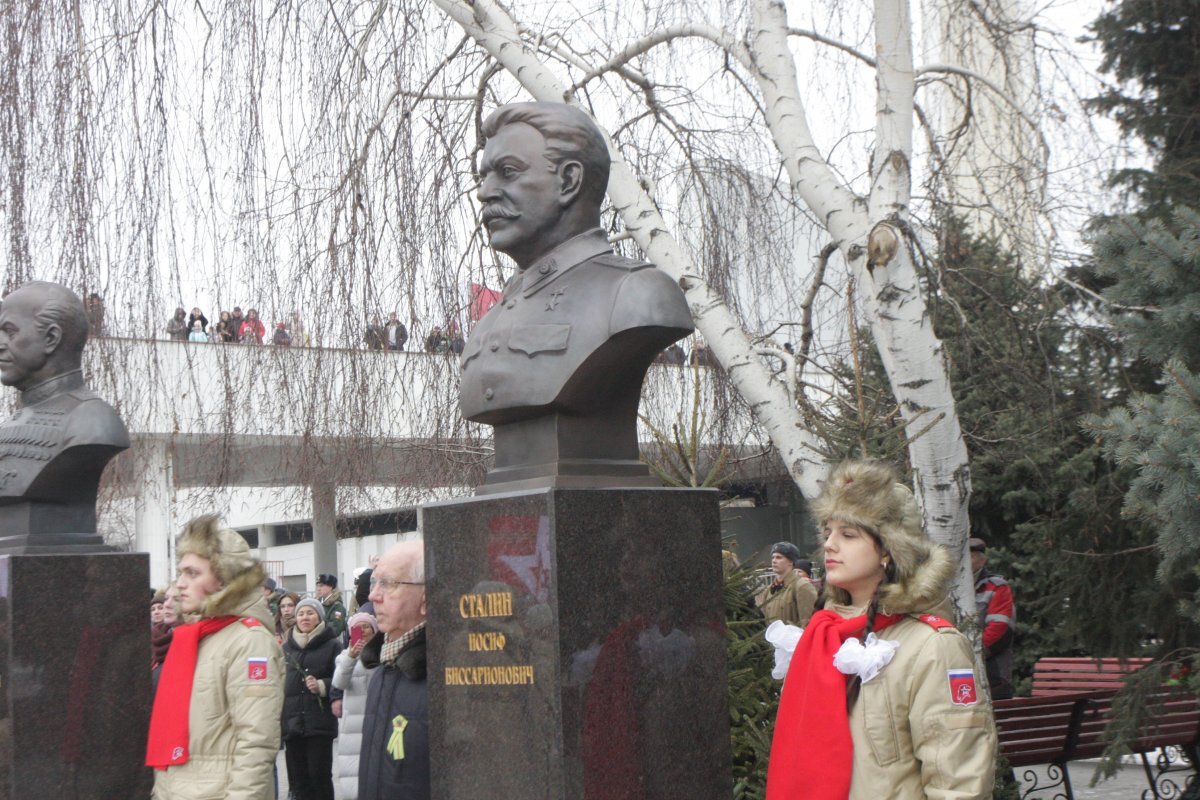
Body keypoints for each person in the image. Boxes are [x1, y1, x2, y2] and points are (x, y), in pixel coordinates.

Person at [459, 102, 693, 487]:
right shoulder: (491, 319)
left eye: (507, 172)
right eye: (483, 177)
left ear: (569, 181)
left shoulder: (637, 295)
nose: (484, 193)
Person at [766, 460, 996, 799]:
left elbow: (958, 783)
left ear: (888, 551)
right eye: (828, 532)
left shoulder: (932, 647)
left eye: (847, 534)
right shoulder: (822, 638)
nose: (829, 544)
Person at [146, 515, 284, 799]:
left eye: (192, 574)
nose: (179, 584)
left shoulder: (249, 641)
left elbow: (256, 743)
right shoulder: (195, 637)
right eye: (180, 572)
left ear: (224, 581)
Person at [358, 540, 429, 800]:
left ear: (426, 599)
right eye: (374, 583)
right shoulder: (382, 669)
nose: (373, 595)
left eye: (388, 584)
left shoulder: (445, 677)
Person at [281, 597, 341, 800]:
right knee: (298, 781)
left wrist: (322, 685)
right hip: (293, 723)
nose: (304, 617)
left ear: (319, 617)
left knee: (319, 777)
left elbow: (340, 680)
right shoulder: (287, 648)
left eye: (310, 613)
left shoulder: (332, 645)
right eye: (301, 614)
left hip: (319, 723)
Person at [332, 611, 380, 800]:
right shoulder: (343, 656)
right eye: (357, 628)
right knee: (352, 778)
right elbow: (339, 683)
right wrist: (351, 657)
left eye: (366, 626)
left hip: (375, 717)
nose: (363, 631)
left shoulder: (384, 653)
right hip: (352, 725)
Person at [971, 537, 1016, 700]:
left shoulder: (996, 587)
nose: (965, 560)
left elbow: (1000, 631)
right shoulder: (951, 587)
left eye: (972, 556)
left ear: (982, 560)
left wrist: (970, 653)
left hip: (993, 675)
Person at [755, 541, 818, 627]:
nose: (774, 561)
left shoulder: (802, 586)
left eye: (779, 557)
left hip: (794, 639)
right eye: (773, 557)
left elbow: (808, 623)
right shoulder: (770, 589)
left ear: (791, 562)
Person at [316, 573, 348, 639]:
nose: (318, 589)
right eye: (318, 586)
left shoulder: (337, 606)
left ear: (330, 587)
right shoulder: (317, 603)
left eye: (321, 586)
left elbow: (335, 629)